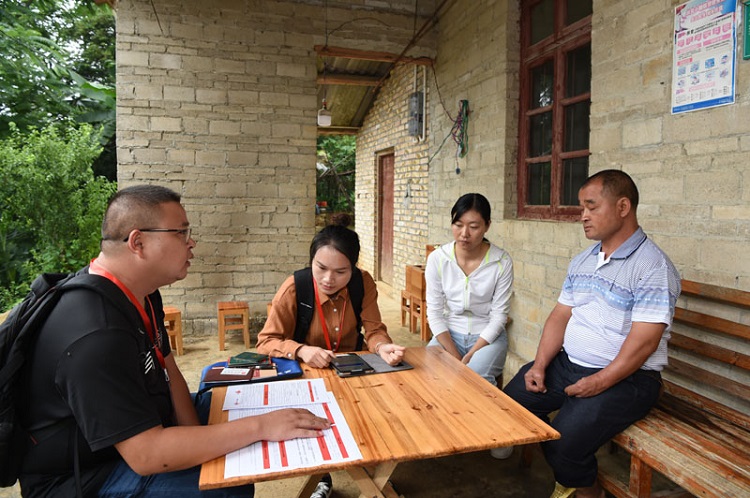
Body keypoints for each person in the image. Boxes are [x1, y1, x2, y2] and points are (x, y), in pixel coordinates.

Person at [18, 185, 330, 498]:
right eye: (180, 233)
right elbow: (146, 455)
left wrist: (198, 441)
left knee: (236, 408)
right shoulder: (96, 333)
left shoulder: (143, 292)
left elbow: (169, 371)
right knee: (226, 489)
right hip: (85, 475)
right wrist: (260, 427)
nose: (191, 243)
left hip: (147, 423)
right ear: (138, 242)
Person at [503, 170, 681, 498]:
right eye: (581, 208)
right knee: (513, 405)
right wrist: (540, 365)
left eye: (591, 206)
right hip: (569, 365)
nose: (582, 216)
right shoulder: (583, 261)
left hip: (629, 379)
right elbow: (559, 316)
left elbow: (644, 343)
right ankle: (570, 476)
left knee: (565, 441)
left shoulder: (652, 267)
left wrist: (599, 382)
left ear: (623, 207)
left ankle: (585, 490)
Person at [256, 213, 405, 498]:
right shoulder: (294, 288)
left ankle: (375, 478)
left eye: (341, 272)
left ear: (354, 268)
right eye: (321, 268)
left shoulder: (363, 284)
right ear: (311, 260)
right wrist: (301, 349)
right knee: (315, 430)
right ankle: (322, 479)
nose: (328, 279)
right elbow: (266, 341)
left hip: (353, 369)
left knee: (373, 419)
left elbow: (374, 330)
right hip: (307, 374)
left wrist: (381, 346)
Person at [424, 193, 514, 458]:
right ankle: (444, 430)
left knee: (475, 379)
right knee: (429, 377)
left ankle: (498, 432)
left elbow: (500, 316)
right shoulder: (438, 259)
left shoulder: (501, 261)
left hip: (488, 336)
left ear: (487, 226)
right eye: (458, 224)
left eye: (474, 226)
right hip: (447, 334)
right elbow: (434, 312)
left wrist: (473, 351)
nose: (464, 233)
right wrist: (453, 354)